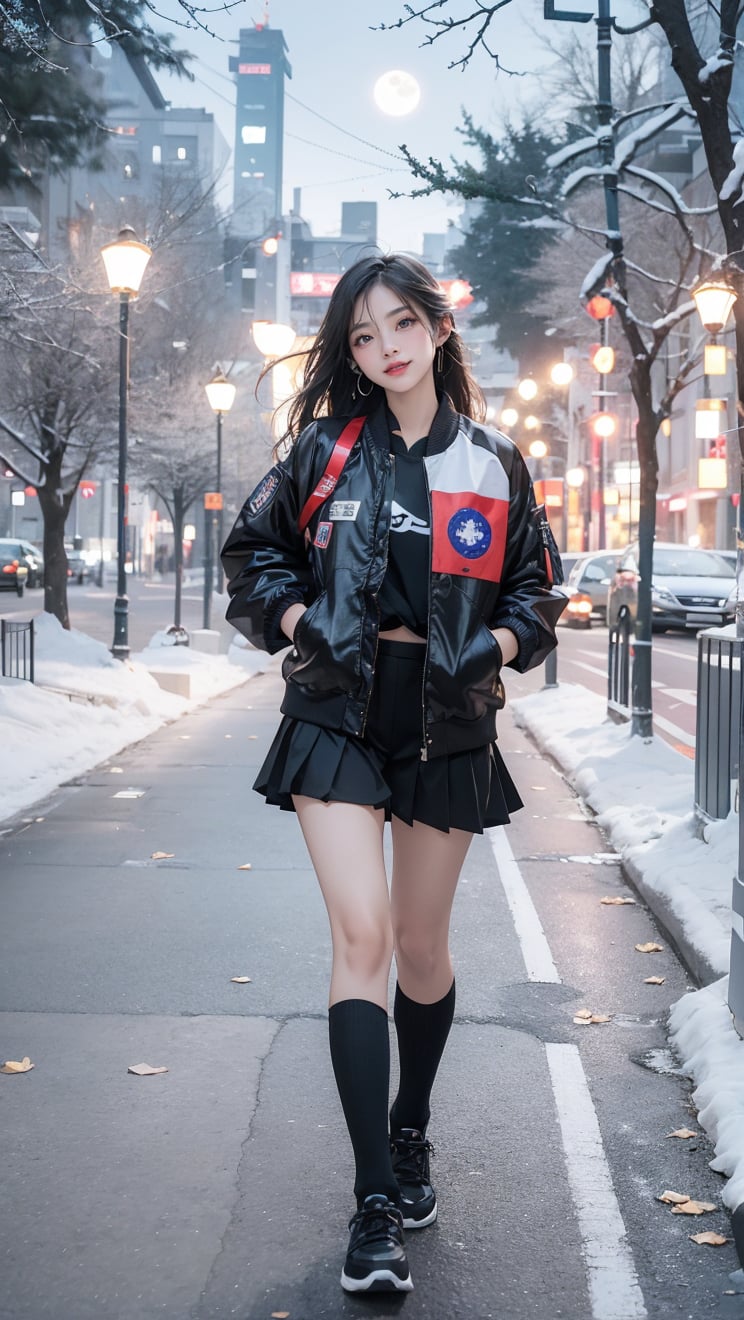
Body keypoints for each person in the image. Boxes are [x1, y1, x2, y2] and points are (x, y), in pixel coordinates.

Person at [222, 253, 565, 1295]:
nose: (384, 349)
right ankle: (373, 1201)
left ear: (439, 328)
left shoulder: (495, 461)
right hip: (336, 709)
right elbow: (253, 554)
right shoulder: (325, 450)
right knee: (361, 937)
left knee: (420, 948)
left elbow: (538, 593)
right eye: (364, 337)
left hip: (446, 716)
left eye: (401, 325)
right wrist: (299, 620)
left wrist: (492, 651)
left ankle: (409, 1127)